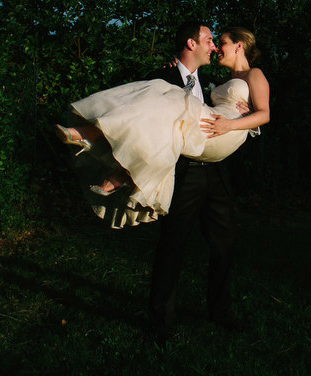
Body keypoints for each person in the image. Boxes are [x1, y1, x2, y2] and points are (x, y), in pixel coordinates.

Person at [55, 22, 269, 339]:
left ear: (239, 45)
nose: (215, 47)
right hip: (187, 167)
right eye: (211, 41)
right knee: (173, 243)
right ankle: (160, 323)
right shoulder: (181, 77)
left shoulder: (253, 76)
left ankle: (220, 310)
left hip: (215, 165)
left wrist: (233, 124)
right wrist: (176, 82)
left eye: (220, 41)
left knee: (224, 243)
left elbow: (263, 114)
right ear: (190, 43)